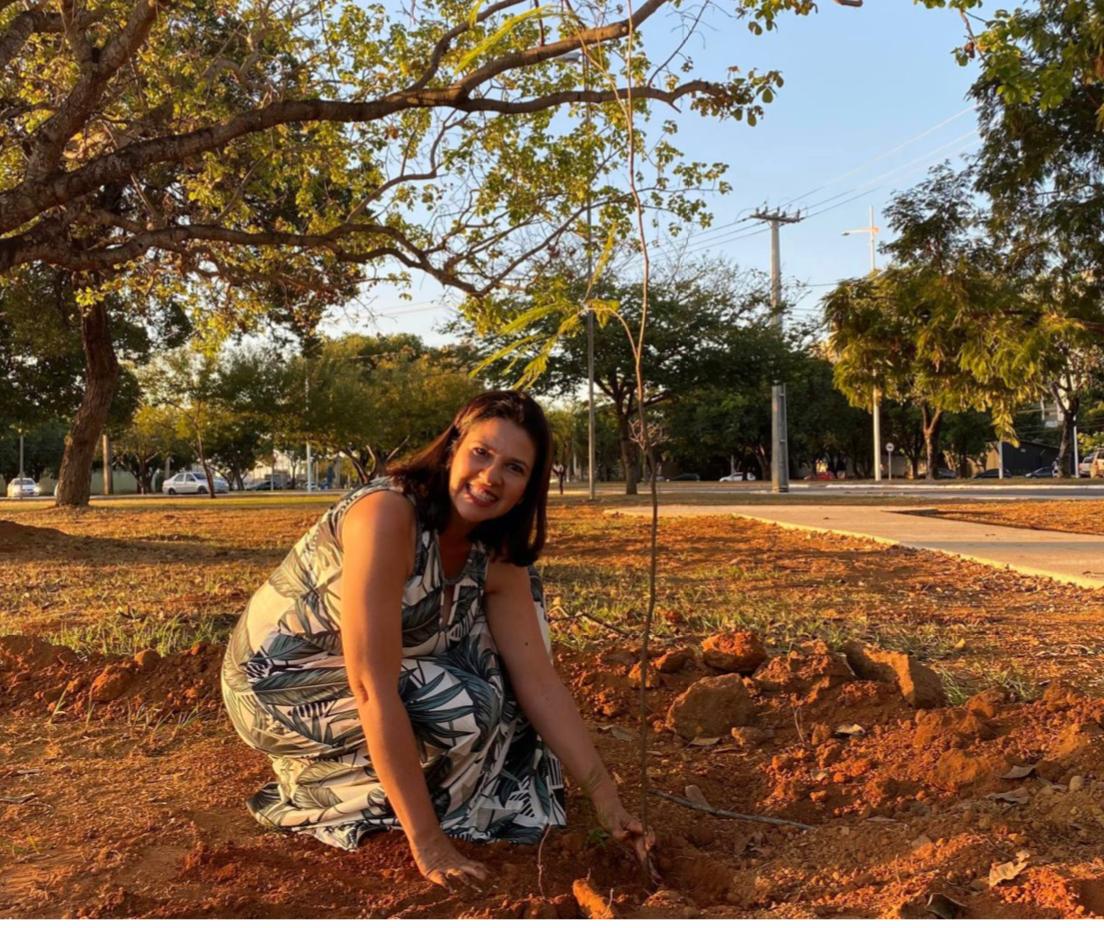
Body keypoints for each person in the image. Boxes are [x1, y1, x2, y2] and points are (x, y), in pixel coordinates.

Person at [221, 390, 653, 889]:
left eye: (514, 468)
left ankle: (381, 782)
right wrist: (428, 844)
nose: (491, 477)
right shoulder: (386, 515)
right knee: (466, 701)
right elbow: (371, 687)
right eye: (481, 453)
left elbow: (539, 681)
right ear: (452, 448)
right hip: (282, 685)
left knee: (506, 689)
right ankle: (326, 788)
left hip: (387, 671)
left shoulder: (495, 549)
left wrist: (607, 799)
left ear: (529, 486)